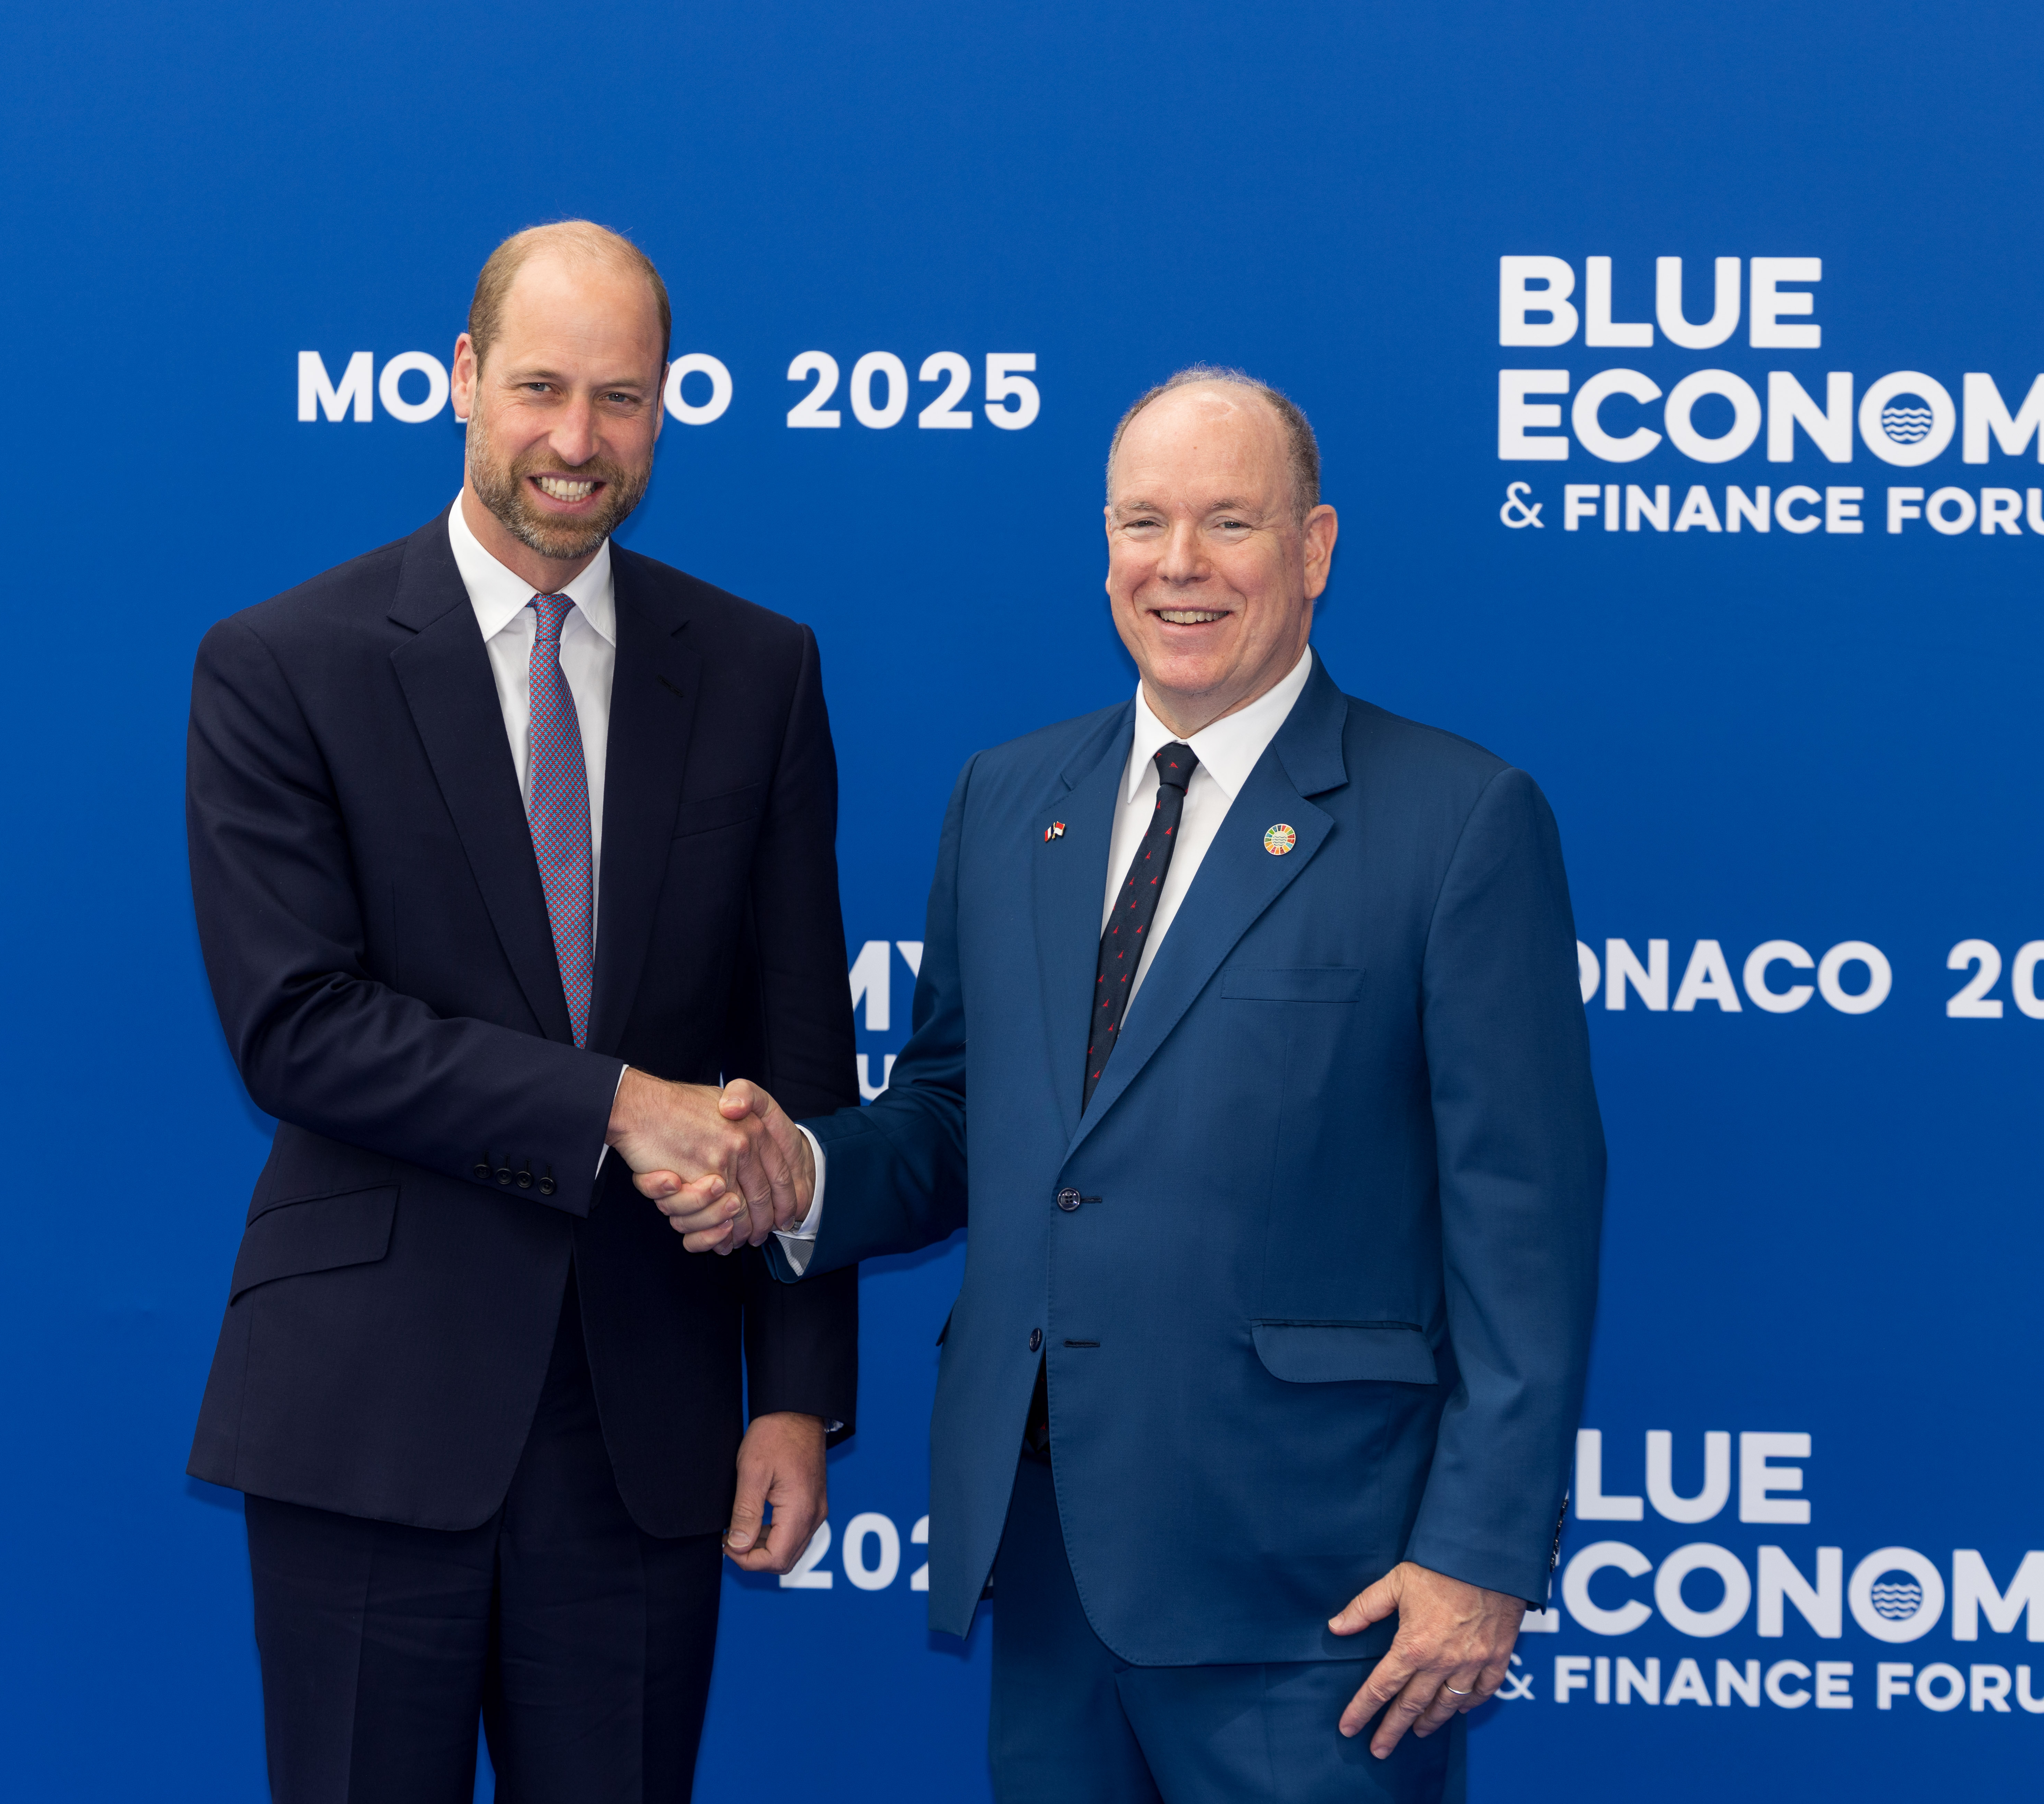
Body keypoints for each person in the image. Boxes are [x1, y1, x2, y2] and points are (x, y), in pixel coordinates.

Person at [645, 368, 1605, 1802]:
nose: (1180, 566)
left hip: (1317, 1594)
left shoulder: (1457, 821)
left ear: (1315, 549)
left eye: (1229, 523)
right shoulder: (1010, 796)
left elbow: (1524, 1223)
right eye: (1144, 523)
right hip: (1045, 1556)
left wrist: (1476, 1552)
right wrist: (806, 1176)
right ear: (1104, 548)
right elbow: (964, 1111)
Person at [183, 220, 859, 1804]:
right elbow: (296, 1026)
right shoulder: (285, 664)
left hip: (646, 1418)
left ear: (666, 407)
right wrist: (622, 1101)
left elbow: (799, 1060)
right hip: (370, 1408)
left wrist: (801, 1395)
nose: (576, 439)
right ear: (464, 382)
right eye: (542, 388)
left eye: (619, 398)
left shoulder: (757, 671)